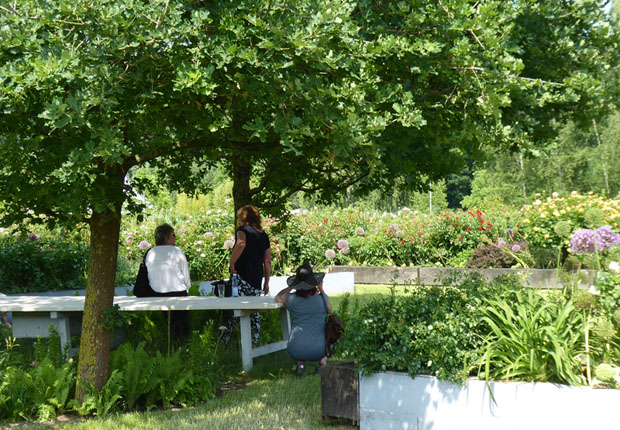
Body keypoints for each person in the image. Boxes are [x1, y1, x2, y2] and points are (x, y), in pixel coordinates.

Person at [224, 205, 272, 345]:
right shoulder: (263, 235)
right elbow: (267, 261)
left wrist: (232, 263)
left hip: (241, 277)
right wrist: (267, 282)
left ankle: (225, 340)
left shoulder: (242, 230)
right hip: (256, 278)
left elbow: (241, 244)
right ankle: (254, 340)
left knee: (234, 307)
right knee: (252, 310)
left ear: (243, 218)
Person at [275, 264, 331, 376]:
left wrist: (291, 287)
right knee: (328, 333)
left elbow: (277, 297)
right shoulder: (322, 299)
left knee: (302, 334)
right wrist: (322, 289)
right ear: (314, 282)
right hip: (319, 350)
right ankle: (322, 362)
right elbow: (330, 311)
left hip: (295, 349)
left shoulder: (290, 299)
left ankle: (301, 365)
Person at [144, 223, 191, 337]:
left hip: (156, 293)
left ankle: (171, 341)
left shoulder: (150, 253)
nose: (175, 237)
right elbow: (185, 274)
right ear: (167, 238)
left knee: (171, 322)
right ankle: (182, 343)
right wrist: (187, 289)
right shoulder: (176, 251)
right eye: (173, 235)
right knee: (182, 323)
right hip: (178, 293)